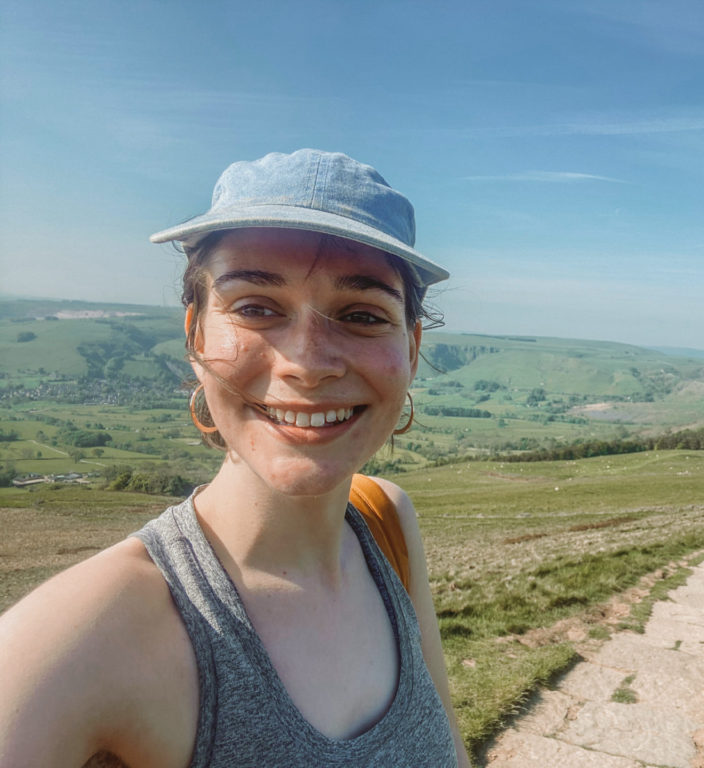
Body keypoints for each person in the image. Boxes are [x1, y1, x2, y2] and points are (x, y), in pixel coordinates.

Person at [0, 149, 472, 767]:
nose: (306, 361)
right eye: (255, 306)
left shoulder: (386, 522)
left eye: (362, 315)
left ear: (409, 349)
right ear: (195, 333)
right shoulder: (79, 637)